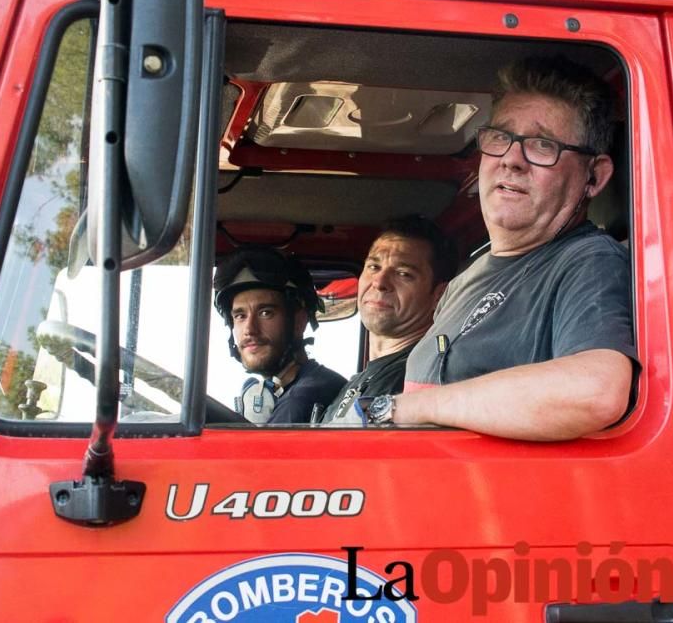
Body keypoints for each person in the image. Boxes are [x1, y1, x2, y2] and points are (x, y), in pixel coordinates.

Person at [357, 56, 639, 440]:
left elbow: (597, 391)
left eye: (543, 145)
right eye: (501, 137)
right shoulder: (464, 281)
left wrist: (405, 410)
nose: (511, 159)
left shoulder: (589, 261)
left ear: (594, 176)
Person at [322, 216, 458, 423]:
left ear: (439, 295)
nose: (379, 282)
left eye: (403, 274)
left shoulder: (419, 379)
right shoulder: (367, 376)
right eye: (374, 267)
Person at [214, 247, 346, 424]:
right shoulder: (308, 384)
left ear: (299, 321)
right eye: (240, 316)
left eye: (265, 313)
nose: (249, 329)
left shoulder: (301, 400)